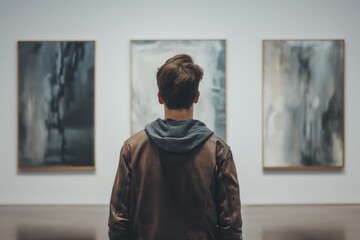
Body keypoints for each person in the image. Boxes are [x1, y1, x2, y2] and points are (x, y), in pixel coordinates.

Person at [108, 54, 243, 240]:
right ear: (196, 97)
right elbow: (231, 226)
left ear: (160, 97)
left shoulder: (132, 148)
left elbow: (118, 223)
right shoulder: (218, 151)